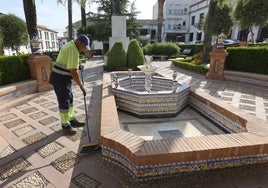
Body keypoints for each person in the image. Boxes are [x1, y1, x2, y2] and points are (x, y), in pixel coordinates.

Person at [49, 34, 90, 134]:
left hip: (62, 78)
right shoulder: (73, 50)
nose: (84, 50)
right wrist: (81, 86)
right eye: (84, 47)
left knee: (69, 98)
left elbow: (68, 62)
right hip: (60, 79)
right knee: (64, 101)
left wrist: (78, 65)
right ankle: (65, 124)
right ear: (79, 42)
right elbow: (73, 72)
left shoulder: (71, 45)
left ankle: (72, 119)